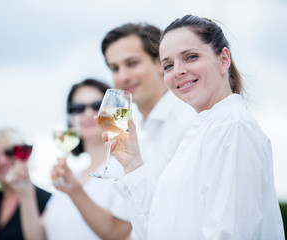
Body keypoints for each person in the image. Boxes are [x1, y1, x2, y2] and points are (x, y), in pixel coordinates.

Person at [104, 15, 285, 239]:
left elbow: (229, 233)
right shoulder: (205, 128)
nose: (178, 71)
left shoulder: (232, 128)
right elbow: (159, 229)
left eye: (190, 57)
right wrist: (132, 163)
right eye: (168, 65)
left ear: (223, 59)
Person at [101, 23, 196, 238]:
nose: (122, 76)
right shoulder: (137, 132)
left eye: (132, 63)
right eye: (114, 68)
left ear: (159, 63)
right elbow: (128, 226)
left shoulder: (187, 121)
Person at [45, 79, 131, 239]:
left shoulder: (125, 169)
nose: (88, 114)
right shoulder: (72, 175)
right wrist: (26, 193)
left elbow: (120, 234)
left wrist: (75, 191)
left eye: (97, 106)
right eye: (78, 108)